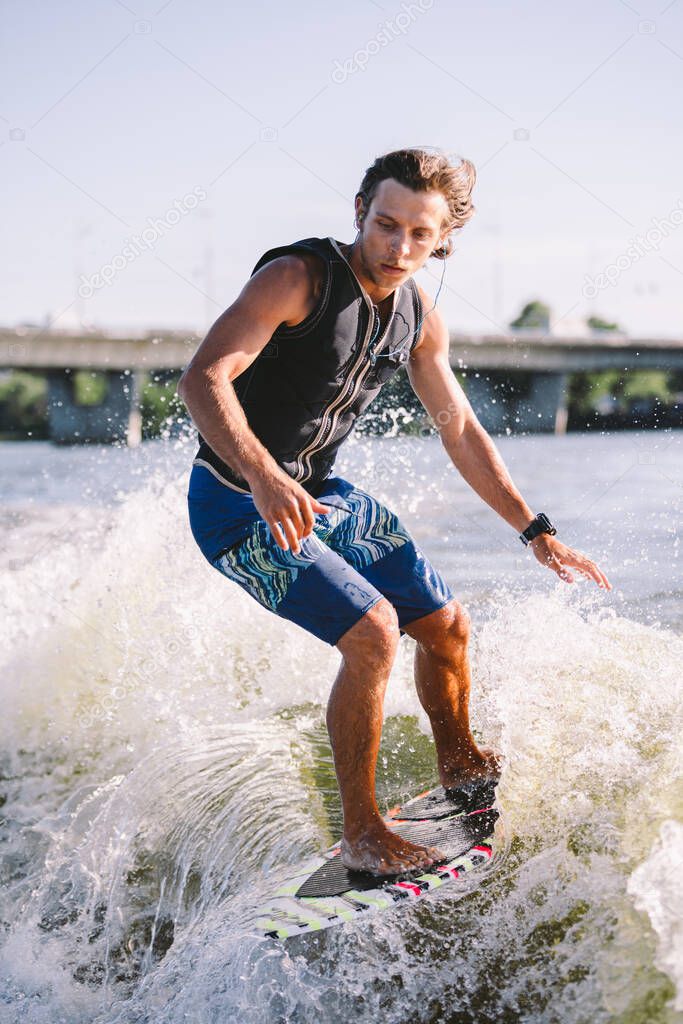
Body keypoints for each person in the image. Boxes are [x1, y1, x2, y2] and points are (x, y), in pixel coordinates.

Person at [178, 148, 612, 877]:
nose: (397, 247)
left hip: (322, 493)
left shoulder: (418, 316)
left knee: (445, 626)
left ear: (440, 240)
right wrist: (260, 477)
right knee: (374, 633)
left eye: (418, 234)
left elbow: (459, 428)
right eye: (385, 225)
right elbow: (203, 378)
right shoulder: (297, 279)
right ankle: (362, 832)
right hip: (234, 505)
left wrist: (534, 530)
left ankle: (458, 765)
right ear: (358, 214)